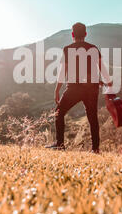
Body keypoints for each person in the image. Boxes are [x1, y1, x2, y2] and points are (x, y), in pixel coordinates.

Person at [46, 22, 112, 153]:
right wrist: (107, 82)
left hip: (74, 88)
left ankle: (60, 144)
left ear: (72, 34)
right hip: (92, 89)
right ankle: (95, 149)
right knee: (93, 117)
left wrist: (57, 89)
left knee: (59, 112)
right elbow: (101, 68)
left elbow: (63, 72)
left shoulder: (67, 49)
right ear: (86, 34)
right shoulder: (93, 48)